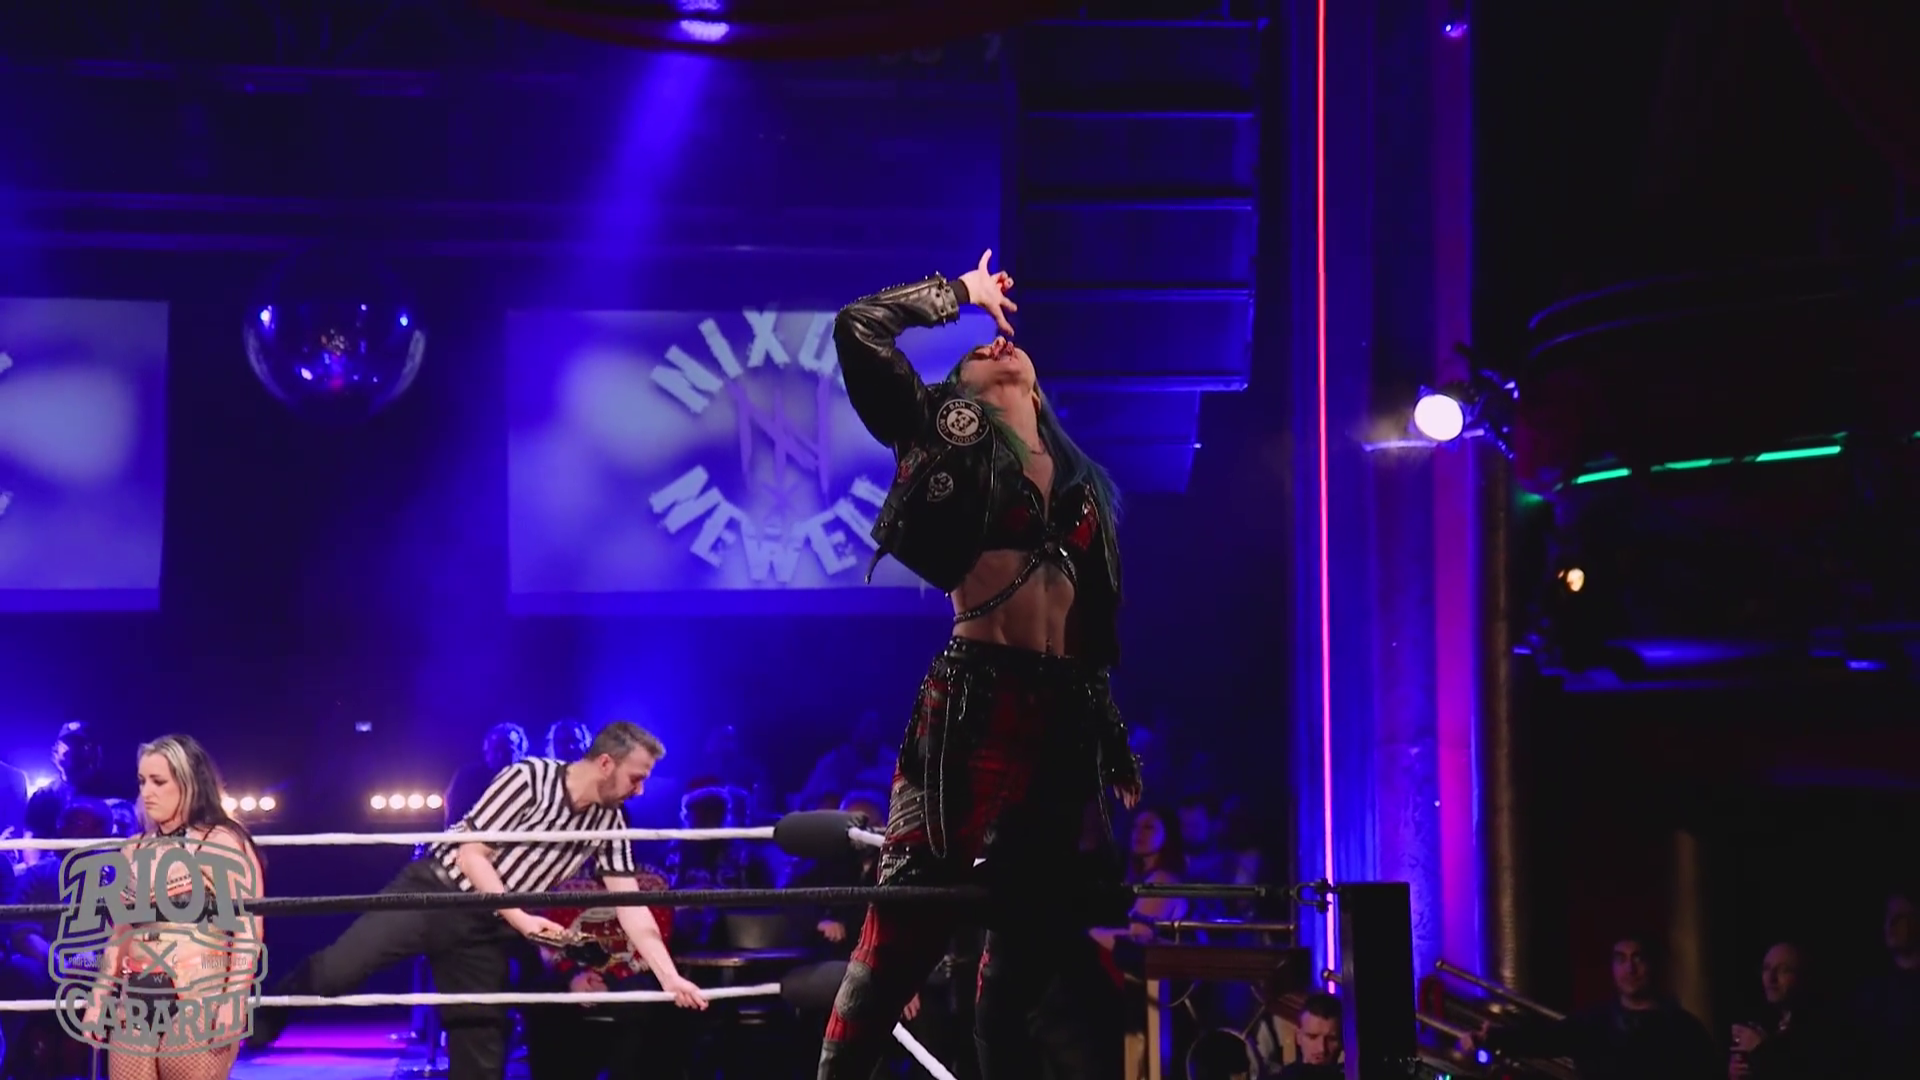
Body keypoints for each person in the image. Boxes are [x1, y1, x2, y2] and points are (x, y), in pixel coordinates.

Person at [817, 250, 1141, 1080]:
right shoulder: (942, 433)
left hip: (1062, 712)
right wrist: (962, 294)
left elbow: (1093, 626)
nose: (998, 344)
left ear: (1039, 390)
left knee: (1023, 948)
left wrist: (1109, 740)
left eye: (1007, 345)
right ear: (959, 391)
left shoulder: (1084, 487)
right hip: (974, 702)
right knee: (904, 929)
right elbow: (859, 327)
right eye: (977, 352)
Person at [248, 722, 710, 1080]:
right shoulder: (529, 778)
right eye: (636, 778)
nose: (640, 790)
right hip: (432, 894)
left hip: (486, 929)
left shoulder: (610, 822)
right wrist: (522, 920)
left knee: (482, 1045)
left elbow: (631, 904)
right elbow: (472, 856)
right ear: (606, 763)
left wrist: (669, 977)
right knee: (336, 972)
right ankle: (259, 1017)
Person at [85, 735, 265, 1080]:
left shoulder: (221, 842)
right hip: (136, 996)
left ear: (188, 783)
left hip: (198, 995)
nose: (147, 792)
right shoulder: (134, 849)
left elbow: (248, 930)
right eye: (142, 781)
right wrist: (100, 995)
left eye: (158, 781)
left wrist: (234, 999)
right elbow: (120, 932)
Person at [442, 723, 530, 827]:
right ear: (487, 750)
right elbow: (455, 814)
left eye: (509, 750)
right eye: (497, 749)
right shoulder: (468, 777)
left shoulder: (529, 778)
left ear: (522, 751)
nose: (501, 755)